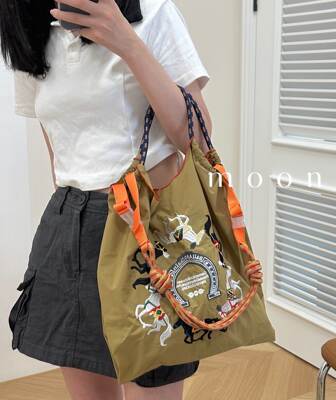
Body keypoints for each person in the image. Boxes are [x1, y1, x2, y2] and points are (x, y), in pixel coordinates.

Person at [1, 0, 212, 398]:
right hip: (70, 230)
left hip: (148, 228)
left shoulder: (153, 12)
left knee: (153, 384)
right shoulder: (28, 29)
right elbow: (58, 146)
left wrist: (127, 43)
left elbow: (196, 139)